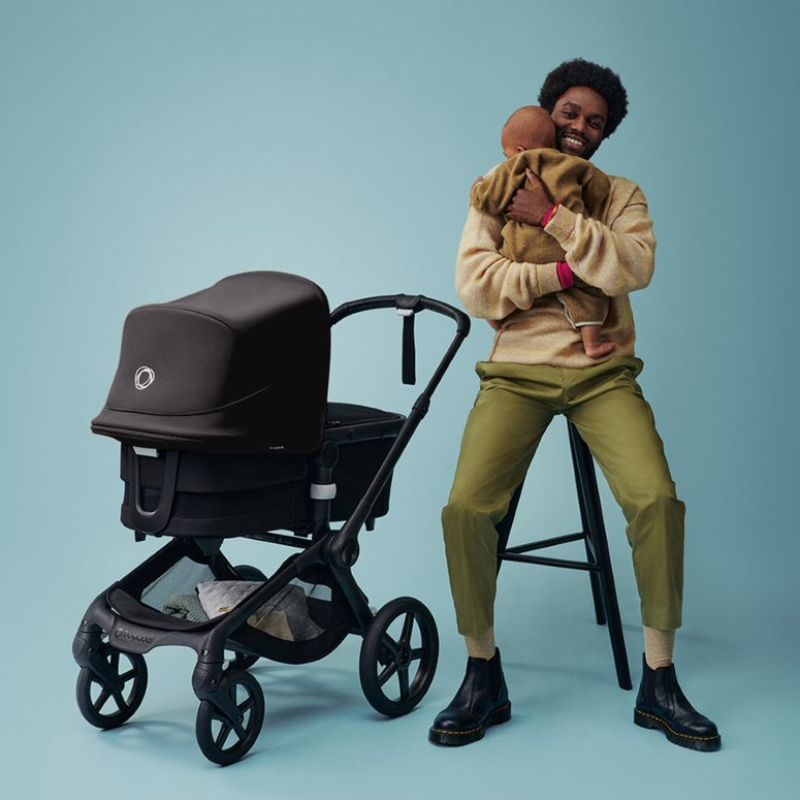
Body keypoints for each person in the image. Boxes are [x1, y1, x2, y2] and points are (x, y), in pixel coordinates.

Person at [429, 58, 720, 752]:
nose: (580, 126)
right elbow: (475, 284)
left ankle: (660, 680)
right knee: (466, 509)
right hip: (516, 374)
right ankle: (482, 673)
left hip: (602, 373)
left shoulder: (618, 193)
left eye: (595, 120)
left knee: (657, 501)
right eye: (569, 112)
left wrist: (552, 219)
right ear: (546, 111)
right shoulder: (499, 182)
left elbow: (633, 266)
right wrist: (564, 271)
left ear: (605, 133)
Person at [471, 105, 615, 358]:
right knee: (590, 291)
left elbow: (490, 199)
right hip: (565, 249)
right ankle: (592, 344)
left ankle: (497, 317)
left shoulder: (520, 163)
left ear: (519, 151)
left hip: (523, 249)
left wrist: (477, 190)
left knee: (497, 275)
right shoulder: (575, 165)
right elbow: (600, 188)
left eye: (506, 154)